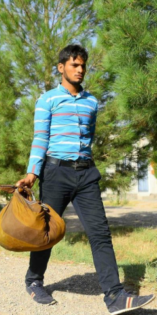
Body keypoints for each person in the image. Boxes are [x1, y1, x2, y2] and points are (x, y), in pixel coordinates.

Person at [17, 45, 155, 314]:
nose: (79, 70)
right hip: (55, 173)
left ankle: (114, 296)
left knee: (100, 233)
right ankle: (34, 280)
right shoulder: (47, 100)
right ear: (61, 68)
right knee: (47, 232)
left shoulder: (92, 101)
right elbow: (40, 138)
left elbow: (88, 137)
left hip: (86, 174)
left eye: (82, 66)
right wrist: (33, 171)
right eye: (74, 65)